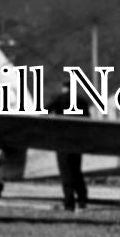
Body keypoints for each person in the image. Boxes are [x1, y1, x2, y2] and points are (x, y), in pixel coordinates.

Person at [51, 82, 88, 211]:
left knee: (66, 172)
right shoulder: (82, 101)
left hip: (62, 141)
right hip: (77, 141)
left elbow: (44, 111)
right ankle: (82, 199)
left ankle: (69, 203)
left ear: (64, 88)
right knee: (77, 171)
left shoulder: (59, 99)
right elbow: (87, 120)